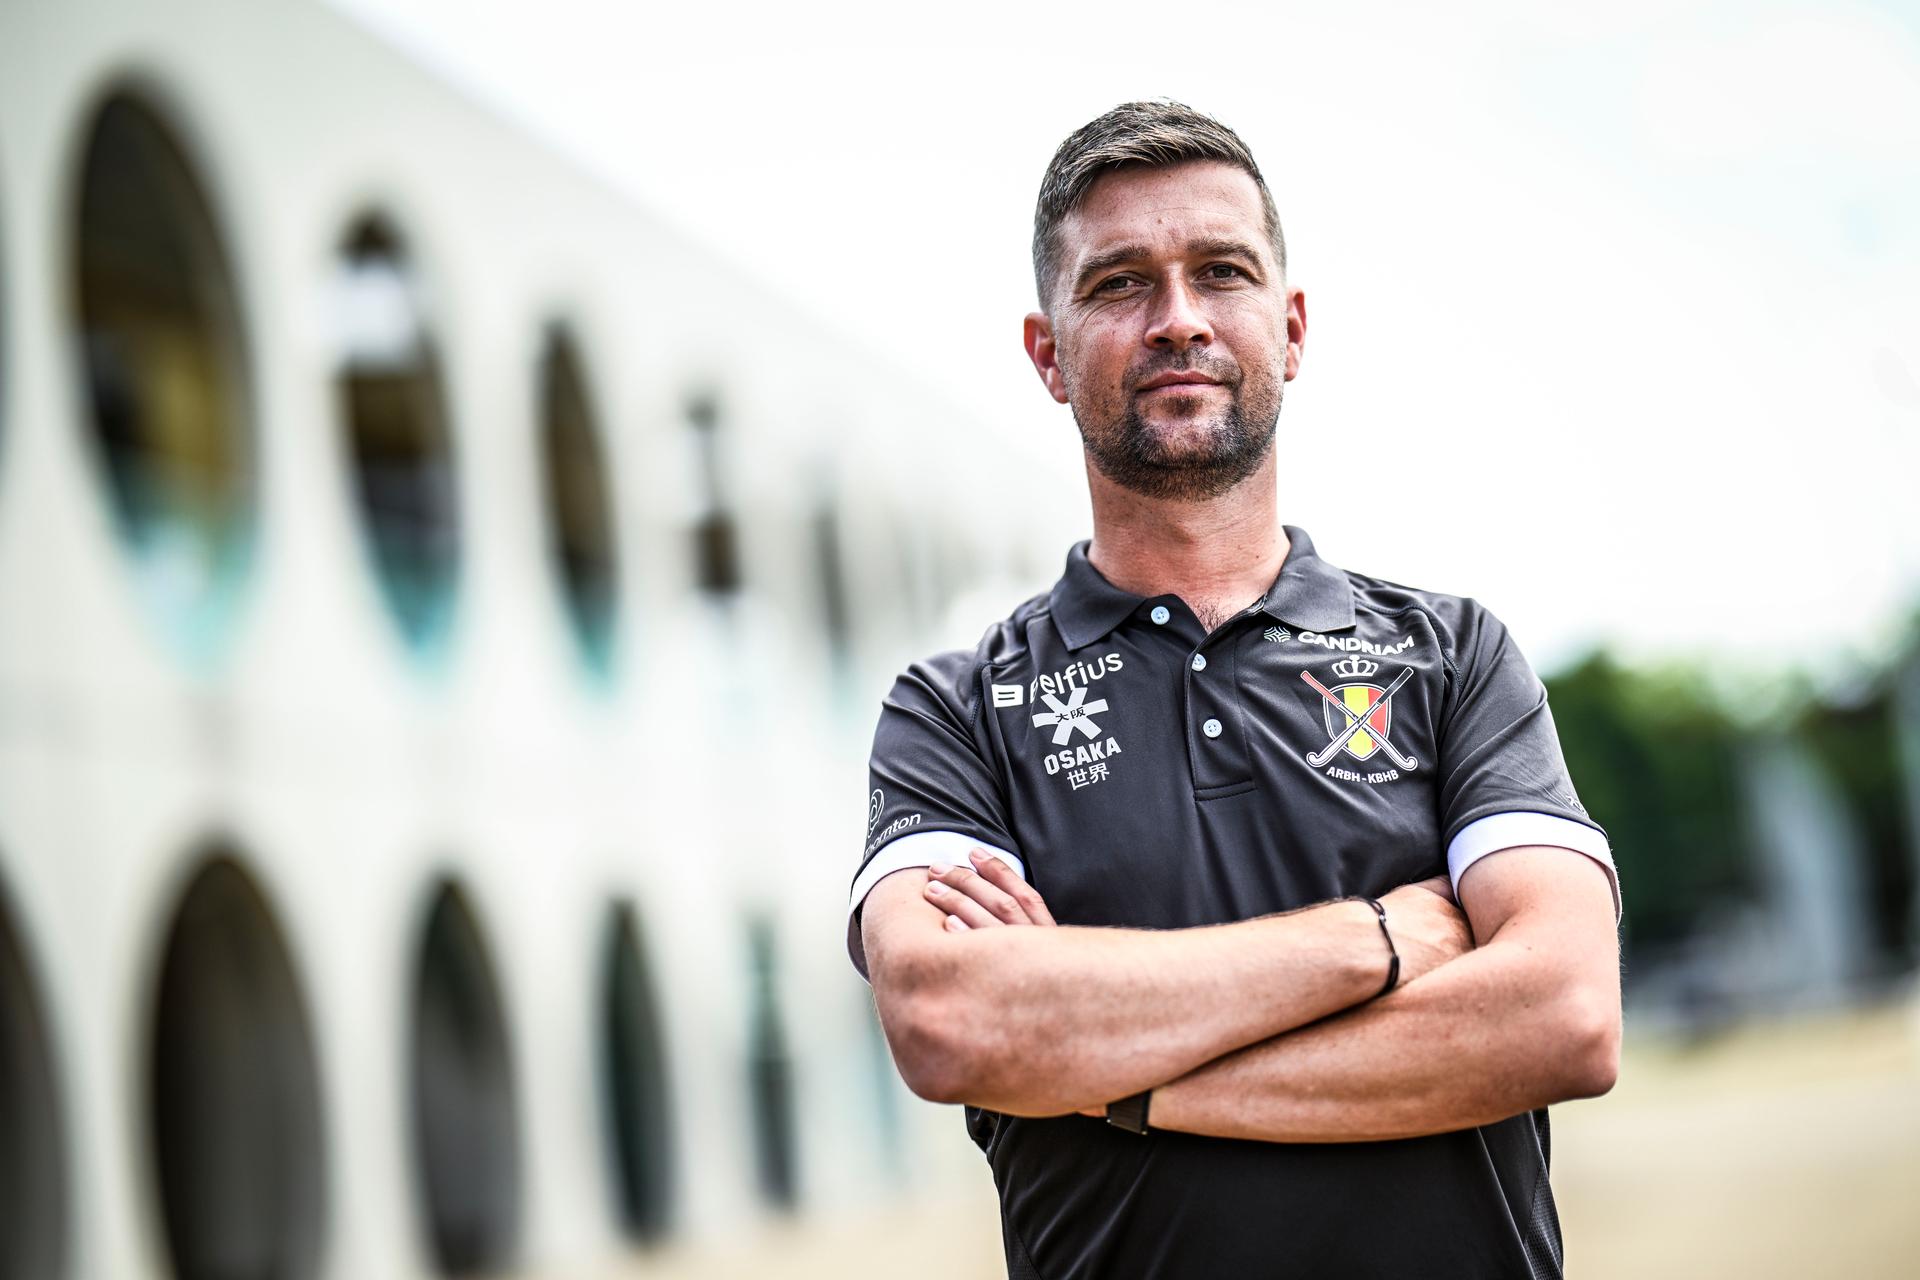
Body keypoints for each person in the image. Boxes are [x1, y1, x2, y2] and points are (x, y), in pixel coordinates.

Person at [845, 99, 1622, 1279]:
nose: (1179, 318)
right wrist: (1377, 937)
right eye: (1119, 284)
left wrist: (1116, 1077)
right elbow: (956, 1021)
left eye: (1221, 271)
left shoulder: (1454, 654)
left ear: (1290, 327)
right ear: (1047, 353)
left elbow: (1564, 1015)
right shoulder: (955, 711)